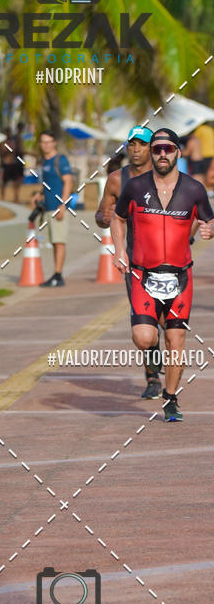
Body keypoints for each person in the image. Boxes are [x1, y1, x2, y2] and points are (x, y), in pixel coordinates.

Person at [111, 128, 214, 422]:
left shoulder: (194, 189)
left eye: (168, 149)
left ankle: (170, 399)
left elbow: (210, 219)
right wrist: (120, 251)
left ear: (178, 152)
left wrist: (209, 229)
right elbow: (118, 218)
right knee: (145, 338)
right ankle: (152, 355)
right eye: (157, 150)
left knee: (176, 341)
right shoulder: (134, 186)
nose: (162, 154)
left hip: (180, 277)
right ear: (152, 154)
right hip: (143, 275)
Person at [95, 125, 163, 399]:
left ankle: (165, 370)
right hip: (134, 262)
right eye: (131, 144)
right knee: (144, 321)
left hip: (167, 260)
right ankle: (152, 378)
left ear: (151, 148)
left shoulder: (164, 176)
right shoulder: (116, 179)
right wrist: (104, 216)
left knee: (163, 321)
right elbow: (102, 214)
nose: (135, 150)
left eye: (141, 145)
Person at [29, 130, 73, 287]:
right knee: (54, 242)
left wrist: (63, 205)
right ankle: (56, 273)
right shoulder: (44, 162)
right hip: (47, 207)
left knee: (59, 241)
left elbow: (68, 182)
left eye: (48, 142)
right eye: (43, 142)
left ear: (54, 142)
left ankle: (58, 275)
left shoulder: (60, 160)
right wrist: (39, 194)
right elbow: (47, 183)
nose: (46, 145)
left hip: (57, 207)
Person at [0, 122, 25, 202]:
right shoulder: (3, 143)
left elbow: (18, 151)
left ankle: (16, 197)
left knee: (15, 182)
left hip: (13, 164)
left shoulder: (14, 142)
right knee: (4, 183)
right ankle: (3, 198)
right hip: (6, 165)